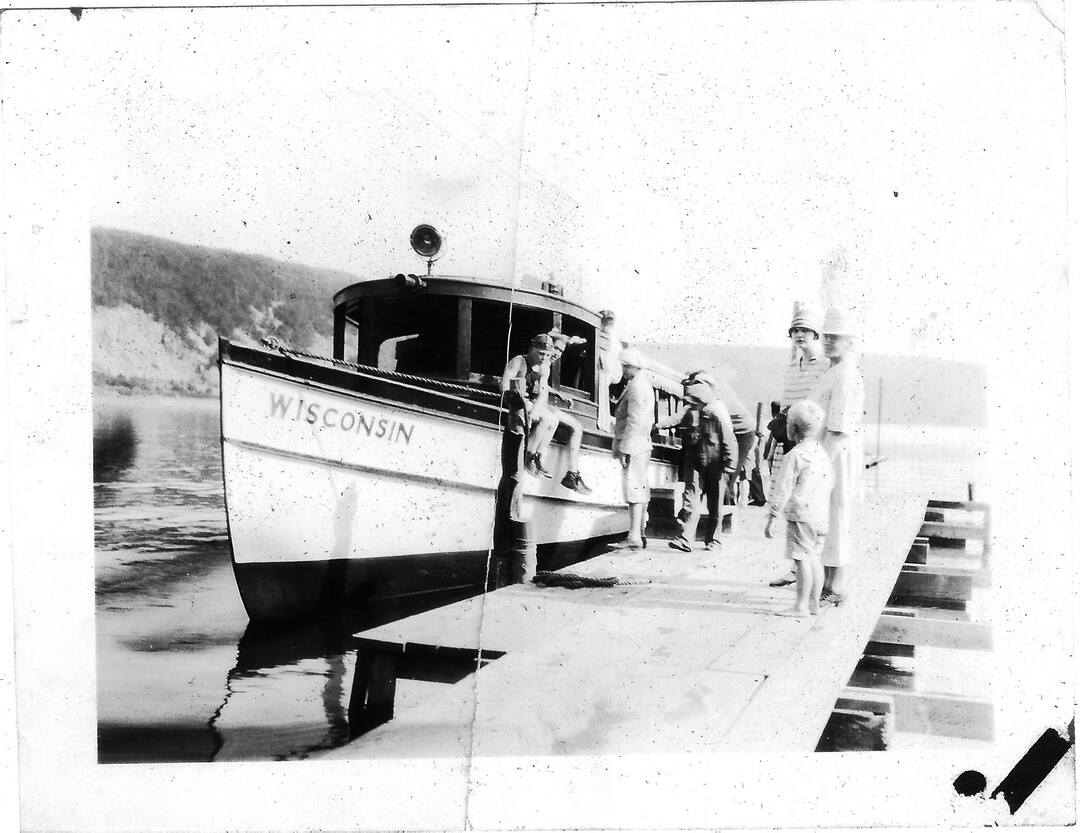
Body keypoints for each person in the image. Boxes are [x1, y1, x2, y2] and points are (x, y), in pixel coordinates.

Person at [768, 301, 829, 588]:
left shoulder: (825, 365)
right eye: (795, 331)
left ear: (816, 334)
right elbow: (786, 406)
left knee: (811, 505)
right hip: (791, 439)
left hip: (814, 444)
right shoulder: (792, 367)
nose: (800, 335)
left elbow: (821, 408)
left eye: (805, 330)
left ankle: (809, 567)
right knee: (792, 501)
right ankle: (797, 567)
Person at [809, 308, 865, 606]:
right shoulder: (832, 370)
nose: (829, 341)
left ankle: (836, 585)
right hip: (827, 449)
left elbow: (838, 428)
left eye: (835, 337)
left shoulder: (846, 374)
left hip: (837, 453)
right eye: (826, 336)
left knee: (836, 516)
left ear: (849, 341)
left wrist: (820, 466)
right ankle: (828, 583)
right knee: (828, 517)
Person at [764, 400, 833, 617]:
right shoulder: (822, 454)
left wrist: (773, 516)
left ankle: (800, 607)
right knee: (815, 558)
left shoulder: (794, 456)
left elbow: (782, 488)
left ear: (793, 428)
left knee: (801, 559)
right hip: (821, 515)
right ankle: (814, 605)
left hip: (801, 516)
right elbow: (829, 481)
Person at [500, 333, 592, 495]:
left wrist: (535, 410)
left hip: (532, 403)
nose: (544, 357)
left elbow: (542, 393)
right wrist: (521, 402)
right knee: (549, 418)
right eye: (541, 353)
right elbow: (504, 385)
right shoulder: (519, 361)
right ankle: (529, 456)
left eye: (547, 354)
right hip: (518, 401)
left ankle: (536, 457)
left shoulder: (544, 368)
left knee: (554, 421)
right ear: (532, 349)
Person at [661, 380, 738, 552]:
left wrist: (730, 465)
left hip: (716, 466)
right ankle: (685, 538)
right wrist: (656, 426)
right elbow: (675, 420)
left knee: (715, 505)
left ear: (702, 401)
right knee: (691, 500)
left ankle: (713, 540)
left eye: (694, 403)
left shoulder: (716, 415)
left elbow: (730, 441)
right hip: (696, 465)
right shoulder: (690, 414)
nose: (691, 406)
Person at [683, 370, 755, 533]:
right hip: (733, 431)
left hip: (742, 432)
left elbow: (728, 436)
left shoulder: (715, 405)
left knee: (723, 480)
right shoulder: (711, 393)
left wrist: (729, 462)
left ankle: (720, 525)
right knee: (716, 481)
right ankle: (710, 524)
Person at [610, 347, 654, 550]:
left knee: (634, 488)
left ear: (632, 366)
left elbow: (635, 421)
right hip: (640, 443)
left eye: (624, 366)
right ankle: (640, 533)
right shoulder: (641, 384)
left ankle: (634, 536)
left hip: (634, 445)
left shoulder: (636, 387)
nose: (623, 370)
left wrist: (625, 448)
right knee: (639, 487)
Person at [596, 310, 623, 429]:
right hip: (602, 376)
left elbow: (615, 376)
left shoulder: (613, 342)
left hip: (601, 376)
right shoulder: (614, 342)